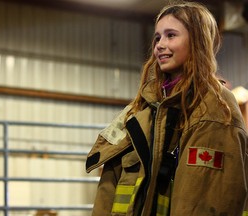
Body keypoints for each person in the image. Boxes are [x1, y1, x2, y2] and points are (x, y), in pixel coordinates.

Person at [86, 1, 248, 216]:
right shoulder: (143, 108)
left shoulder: (213, 108)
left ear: (197, 41)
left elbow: (200, 204)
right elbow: (108, 189)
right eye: (158, 37)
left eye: (171, 35)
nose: (160, 45)